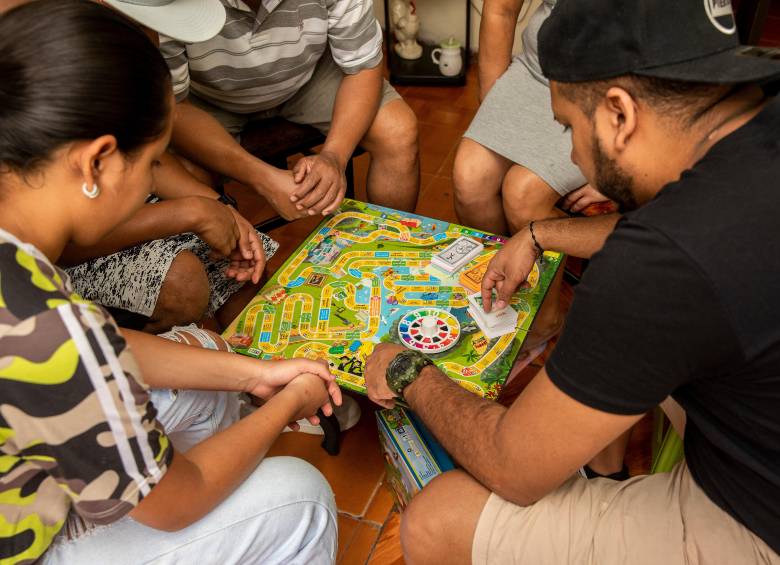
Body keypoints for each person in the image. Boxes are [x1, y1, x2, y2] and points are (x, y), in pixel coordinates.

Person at [363, 0, 780, 563]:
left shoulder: (655, 265)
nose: (570, 153)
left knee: (438, 518)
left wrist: (406, 369)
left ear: (619, 114)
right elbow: (694, 238)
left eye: (568, 127)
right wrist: (539, 234)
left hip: (758, 521)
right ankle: (603, 475)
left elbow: (513, 467)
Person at [0, 2, 341, 563]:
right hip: (25, 544)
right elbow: (176, 503)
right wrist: (291, 401)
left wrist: (254, 372)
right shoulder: (51, 329)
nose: (152, 188)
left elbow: (100, 351)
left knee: (208, 374)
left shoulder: (26, 258)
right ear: (97, 163)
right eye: (153, 163)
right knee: (302, 500)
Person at [159, 0, 420, 222]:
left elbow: (363, 67)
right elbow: (173, 106)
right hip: (206, 99)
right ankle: (230, 270)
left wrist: (334, 157)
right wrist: (263, 179)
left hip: (308, 77)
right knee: (186, 175)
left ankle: (389, 254)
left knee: (397, 130)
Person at [453, 0, 611, 236]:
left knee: (522, 196)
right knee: (469, 178)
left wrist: (624, 177)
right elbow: (501, 9)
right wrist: (493, 101)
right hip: (536, 73)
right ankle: (497, 269)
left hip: (612, 99)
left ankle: (551, 268)